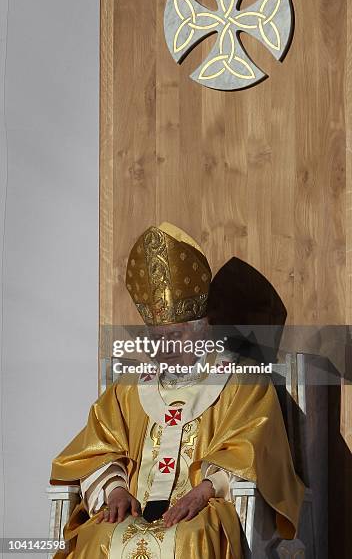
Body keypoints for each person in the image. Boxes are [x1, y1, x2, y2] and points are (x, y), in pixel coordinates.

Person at [50, 223, 304, 558]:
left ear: (202, 331)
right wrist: (114, 490)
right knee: (96, 537)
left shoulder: (241, 380)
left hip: (204, 506)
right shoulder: (129, 390)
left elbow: (255, 447)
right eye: (158, 337)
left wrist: (204, 491)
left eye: (177, 336)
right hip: (133, 508)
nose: (166, 348)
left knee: (189, 539)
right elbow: (96, 449)